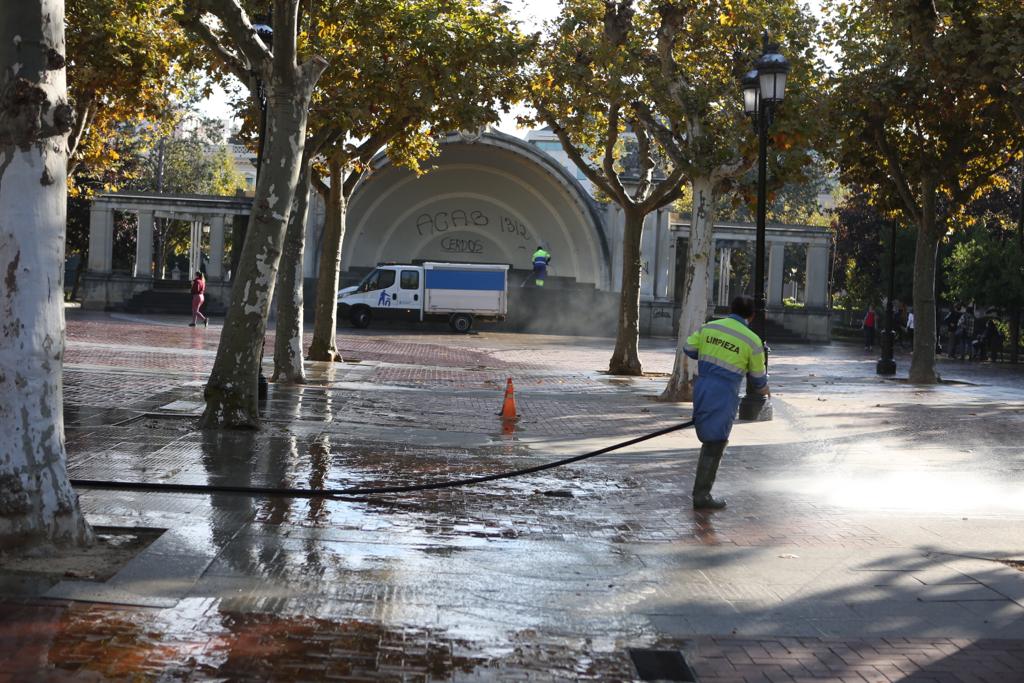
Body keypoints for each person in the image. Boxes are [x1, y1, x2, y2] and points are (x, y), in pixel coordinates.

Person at [683, 295, 769, 510]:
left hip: (703, 386)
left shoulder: (709, 327)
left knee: (709, 437)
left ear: (731, 308)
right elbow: (758, 379)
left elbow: (689, 348)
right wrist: (765, 390)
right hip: (724, 393)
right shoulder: (752, 340)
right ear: (752, 315)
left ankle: (702, 493)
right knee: (716, 441)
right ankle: (701, 496)